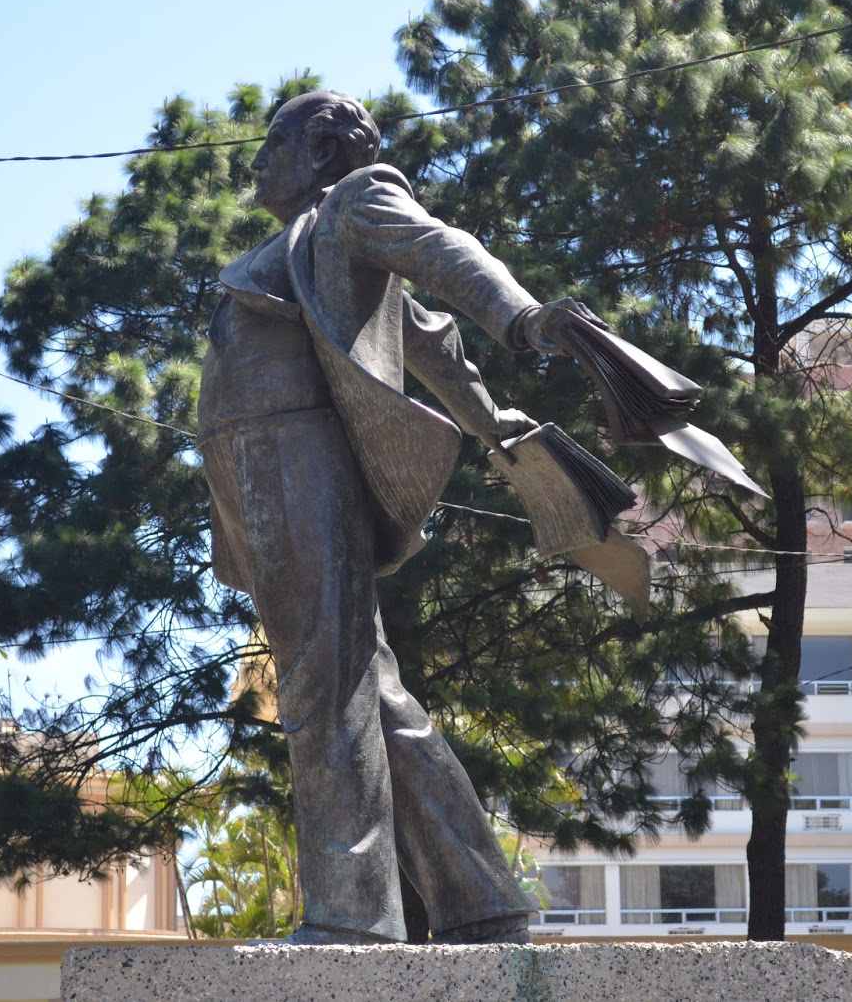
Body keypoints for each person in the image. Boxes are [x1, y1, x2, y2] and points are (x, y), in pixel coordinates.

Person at [197, 90, 584, 945]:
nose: (257, 159)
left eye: (275, 140)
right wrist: (490, 417)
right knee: (371, 690)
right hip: (254, 467)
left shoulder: (356, 199)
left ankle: (353, 912)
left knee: (322, 684)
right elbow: (425, 338)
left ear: (323, 149)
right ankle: (480, 897)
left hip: (295, 456)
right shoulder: (312, 247)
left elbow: (443, 252)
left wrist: (520, 318)